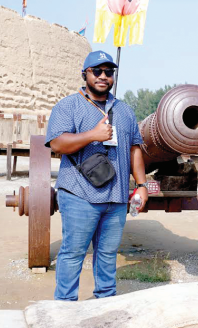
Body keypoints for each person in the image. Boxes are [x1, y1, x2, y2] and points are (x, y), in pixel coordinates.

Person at [45, 50, 149, 300]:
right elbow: (58, 144)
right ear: (85, 74)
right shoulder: (68, 106)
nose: (103, 76)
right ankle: (65, 307)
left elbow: (135, 149)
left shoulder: (125, 110)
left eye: (109, 72)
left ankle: (105, 303)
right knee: (73, 253)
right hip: (80, 194)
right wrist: (93, 135)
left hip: (116, 197)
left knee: (108, 254)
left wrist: (142, 185)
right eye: (97, 71)